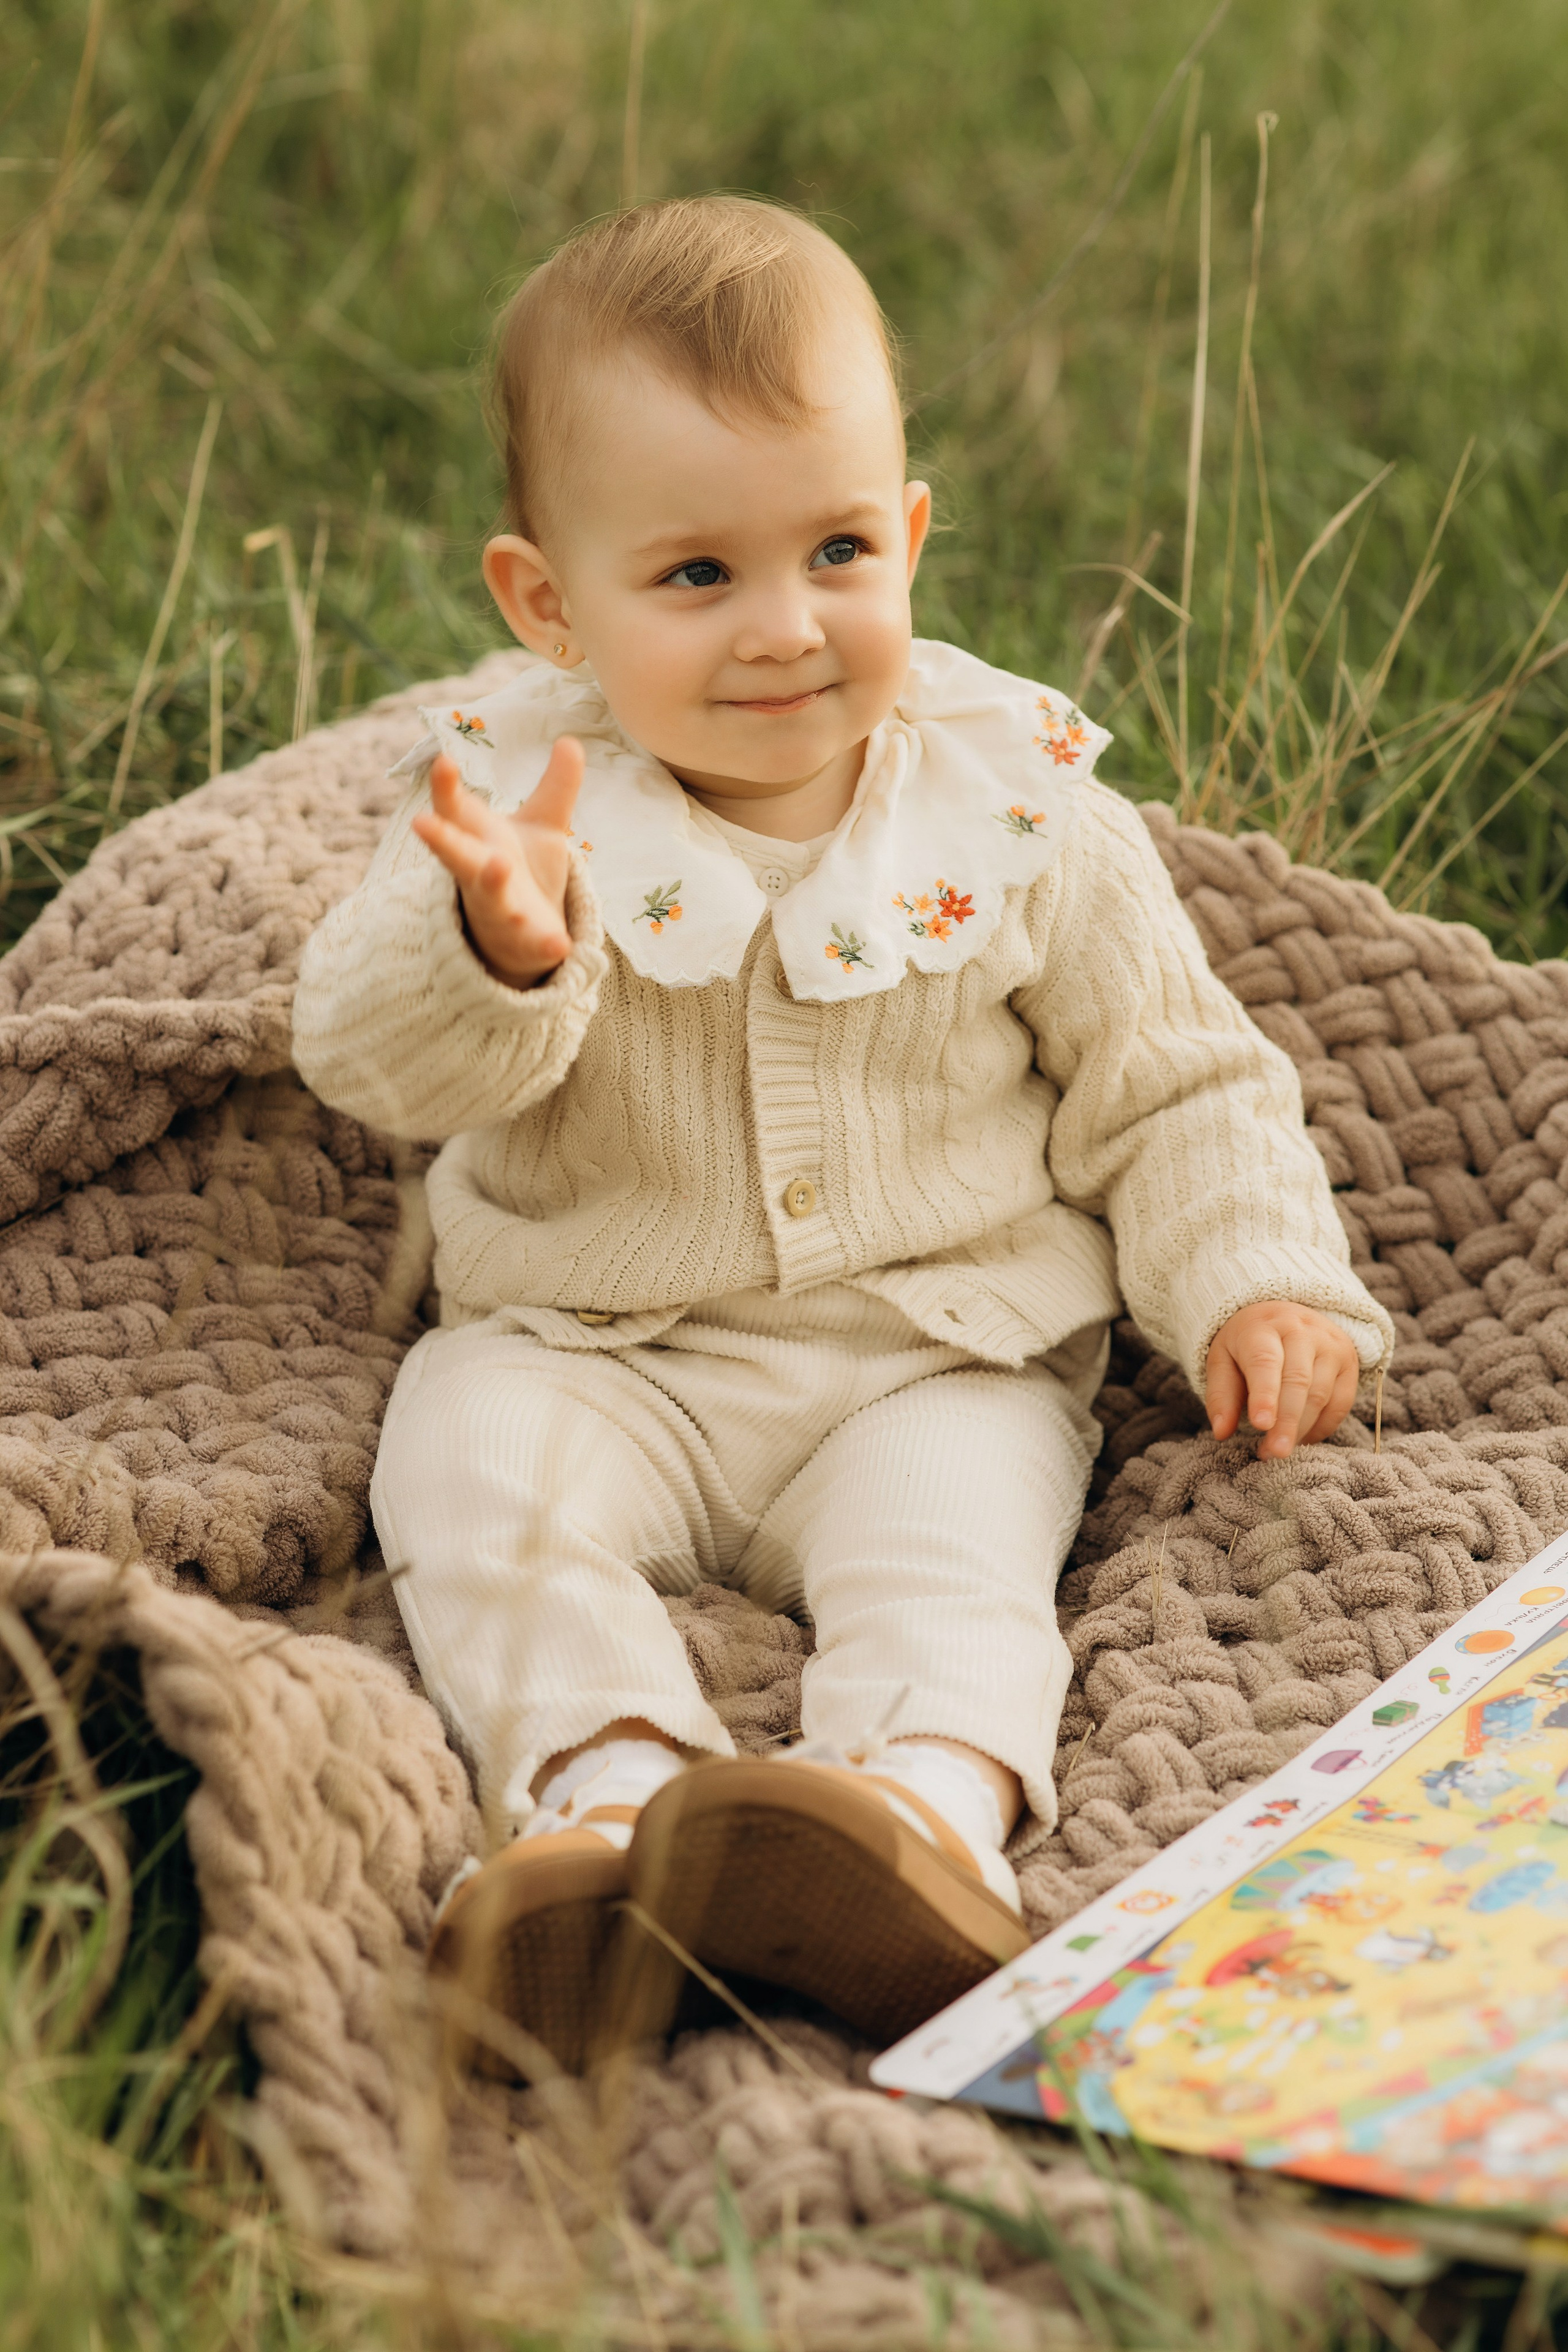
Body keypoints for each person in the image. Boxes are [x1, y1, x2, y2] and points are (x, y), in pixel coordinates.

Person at [292, 195, 1393, 2070]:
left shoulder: (1020, 808)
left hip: (929, 1357)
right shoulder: (518, 810)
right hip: (595, 1348)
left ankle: (916, 1824)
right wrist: (497, 948)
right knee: (460, 1463)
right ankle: (604, 1798)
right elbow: (367, 1060)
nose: (787, 629)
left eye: (837, 550)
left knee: (956, 1563)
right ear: (549, 601)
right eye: (698, 577)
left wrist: (1261, 1285)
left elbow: (1175, 1079)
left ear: (914, 536)